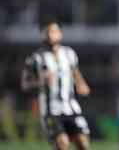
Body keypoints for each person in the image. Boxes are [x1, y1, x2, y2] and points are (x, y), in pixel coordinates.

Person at [22, 20, 91, 150]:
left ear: (60, 34)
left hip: (71, 108)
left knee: (83, 143)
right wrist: (41, 82)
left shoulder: (69, 53)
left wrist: (82, 84)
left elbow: (75, 73)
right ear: (43, 35)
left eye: (54, 31)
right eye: (48, 31)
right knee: (62, 143)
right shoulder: (36, 58)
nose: (51, 34)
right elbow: (25, 84)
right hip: (51, 110)